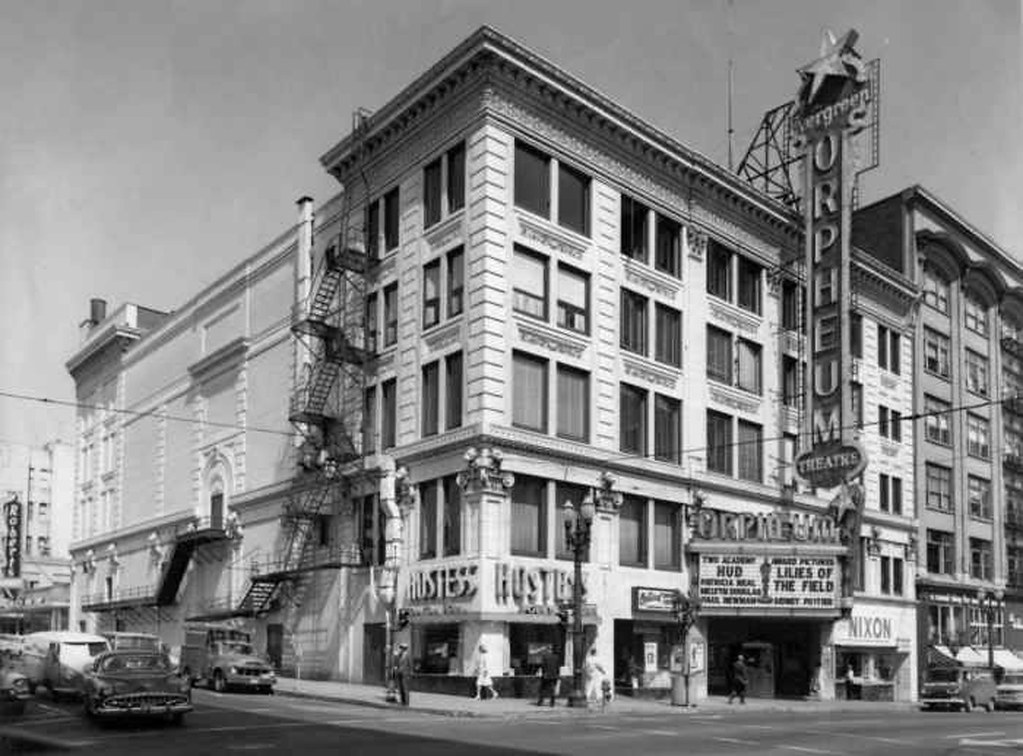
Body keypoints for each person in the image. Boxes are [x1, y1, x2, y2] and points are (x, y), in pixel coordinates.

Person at [393, 642, 412, 706]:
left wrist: (410, 673)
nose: (400, 649)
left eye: (401, 648)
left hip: (405, 674)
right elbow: (396, 664)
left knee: (405, 688)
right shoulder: (399, 655)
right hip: (399, 673)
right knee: (401, 688)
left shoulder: (407, 655)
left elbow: (410, 665)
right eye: (400, 648)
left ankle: (406, 702)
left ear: (404, 649)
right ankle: (402, 701)